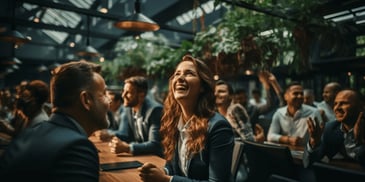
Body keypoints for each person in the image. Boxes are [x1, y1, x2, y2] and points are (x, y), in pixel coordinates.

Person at [0, 61, 111, 181]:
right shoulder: (76, 148)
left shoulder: (27, 135)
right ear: (86, 100)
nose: (109, 100)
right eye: (104, 94)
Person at [138, 55, 234, 182]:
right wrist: (161, 171)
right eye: (177, 74)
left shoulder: (218, 126)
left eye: (189, 73)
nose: (180, 78)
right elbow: (172, 167)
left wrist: (167, 180)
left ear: (202, 87)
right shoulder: (174, 121)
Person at [304, 89, 365, 168]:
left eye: (344, 103)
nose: (337, 108)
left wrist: (360, 143)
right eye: (335, 104)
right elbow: (307, 164)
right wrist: (314, 143)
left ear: (361, 107)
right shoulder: (330, 128)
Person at [108, 76, 163, 157]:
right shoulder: (128, 109)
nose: (123, 96)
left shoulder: (155, 110)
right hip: (141, 157)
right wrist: (116, 142)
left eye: (128, 92)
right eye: (123, 91)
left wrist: (127, 148)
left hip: (158, 160)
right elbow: (126, 136)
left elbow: (155, 145)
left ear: (141, 95)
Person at [267, 81, 323, 146]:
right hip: (286, 152)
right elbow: (270, 136)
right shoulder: (279, 113)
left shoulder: (314, 112)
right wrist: (288, 139)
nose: (299, 96)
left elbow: (321, 137)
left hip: (306, 152)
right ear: (286, 96)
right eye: (295, 93)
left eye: (301, 94)